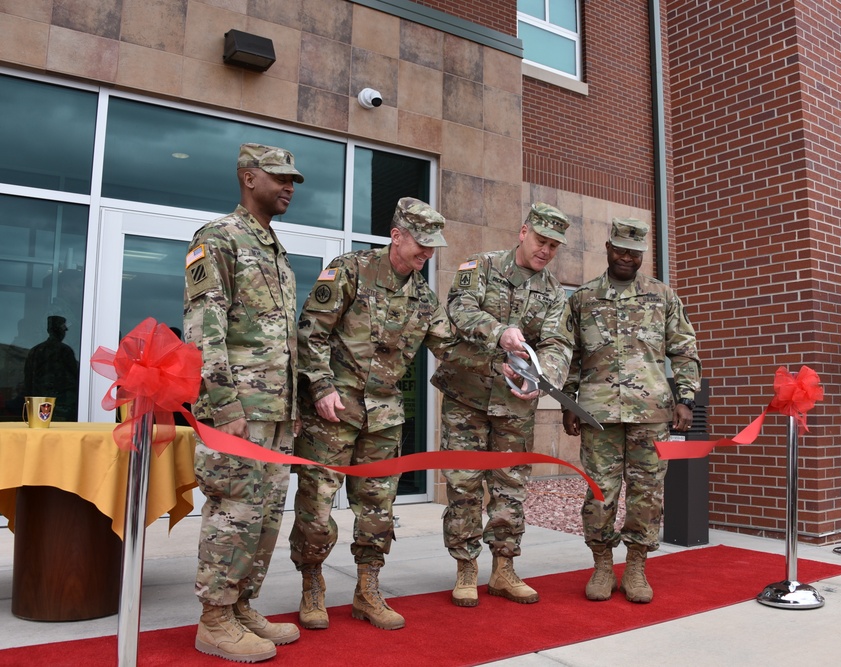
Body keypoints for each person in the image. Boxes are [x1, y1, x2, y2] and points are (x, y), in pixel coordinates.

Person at [291, 197, 459, 632]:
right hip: (333, 413)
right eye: (420, 244)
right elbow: (310, 332)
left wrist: (507, 360)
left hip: (383, 418)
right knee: (316, 505)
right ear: (396, 235)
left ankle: (367, 590)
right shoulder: (350, 270)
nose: (427, 253)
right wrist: (322, 386)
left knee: (378, 508)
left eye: (432, 246)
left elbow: (453, 350)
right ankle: (312, 585)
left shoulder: (423, 297)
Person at [183, 143, 303, 662]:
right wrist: (226, 410)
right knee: (234, 510)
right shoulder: (218, 239)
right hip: (238, 412)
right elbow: (204, 331)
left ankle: (241, 604)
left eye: (293, 179)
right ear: (248, 177)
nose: (289, 187)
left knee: (266, 514)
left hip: (275, 412)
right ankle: (213, 619)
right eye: (279, 177)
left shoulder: (274, 248)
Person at [431, 202, 574, 608]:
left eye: (554, 246)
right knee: (464, 485)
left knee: (510, 485)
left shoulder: (553, 293)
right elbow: (458, 308)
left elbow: (557, 344)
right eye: (541, 240)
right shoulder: (482, 266)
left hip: (515, 403)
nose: (546, 250)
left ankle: (504, 569)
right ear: (523, 232)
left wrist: (543, 380)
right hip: (468, 396)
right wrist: (500, 332)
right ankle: (465, 569)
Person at [562, 217, 701, 604]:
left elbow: (684, 349)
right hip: (596, 414)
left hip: (651, 412)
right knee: (599, 493)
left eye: (634, 253)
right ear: (607, 248)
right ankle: (603, 564)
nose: (627, 258)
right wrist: (568, 403)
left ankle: (637, 565)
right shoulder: (583, 297)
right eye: (620, 250)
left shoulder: (663, 296)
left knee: (647, 493)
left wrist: (686, 399)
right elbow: (570, 354)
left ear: (642, 254)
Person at [23, 315, 79, 421]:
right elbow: (74, 378)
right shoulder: (64, 351)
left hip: (40, 405)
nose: (65, 331)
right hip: (60, 406)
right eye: (63, 328)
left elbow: (28, 380)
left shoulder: (36, 351)